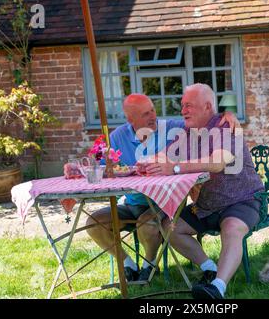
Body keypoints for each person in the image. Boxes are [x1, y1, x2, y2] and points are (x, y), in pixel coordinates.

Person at [85, 93, 240, 282]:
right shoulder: (118, 136)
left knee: (147, 224)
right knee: (94, 223)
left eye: (152, 110)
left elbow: (203, 121)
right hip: (131, 201)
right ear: (130, 119)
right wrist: (78, 168)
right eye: (145, 114)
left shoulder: (171, 128)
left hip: (163, 202)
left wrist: (227, 115)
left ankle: (149, 265)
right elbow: (98, 164)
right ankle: (128, 265)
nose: (152, 116)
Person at [141, 84, 265, 298]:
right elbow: (163, 155)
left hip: (242, 200)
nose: (183, 111)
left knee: (232, 227)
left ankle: (218, 288)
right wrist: (146, 163)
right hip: (207, 206)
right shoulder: (186, 132)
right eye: (182, 106)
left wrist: (175, 167)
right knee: (169, 227)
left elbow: (217, 163)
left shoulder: (226, 126)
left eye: (188, 105)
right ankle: (210, 269)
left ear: (207, 107)